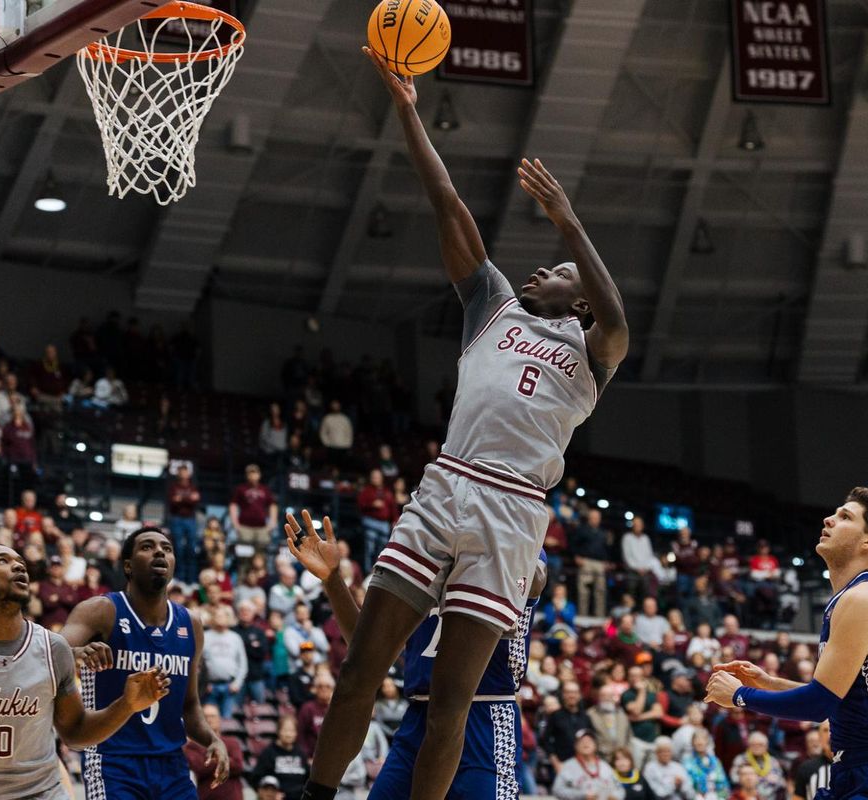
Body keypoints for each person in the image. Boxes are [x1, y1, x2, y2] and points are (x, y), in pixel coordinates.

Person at [298, 46, 629, 800]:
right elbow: (447, 203)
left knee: (454, 705)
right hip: (447, 486)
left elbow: (616, 315)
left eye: (559, 268)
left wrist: (569, 220)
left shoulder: (593, 351)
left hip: (513, 510)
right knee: (361, 670)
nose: (542, 266)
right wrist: (409, 113)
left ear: (578, 301)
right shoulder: (493, 307)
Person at [283, 510, 545, 799]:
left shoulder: (518, 547)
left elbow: (536, 576)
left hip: (485, 719)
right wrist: (333, 580)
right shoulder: (426, 553)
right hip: (420, 719)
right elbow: (369, 647)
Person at [0, 545, 167, 800]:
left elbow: (74, 732)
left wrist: (126, 705)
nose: (18, 567)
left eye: (21, 563)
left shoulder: (53, 648)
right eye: (3, 561)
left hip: (42, 793)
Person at [706, 487, 868, 800]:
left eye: (845, 516)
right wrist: (769, 683)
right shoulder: (848, 598)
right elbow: (838, 701)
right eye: (835, 512)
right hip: (855, 771)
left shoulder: (864, 598)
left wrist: (740, 696)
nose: (829, 519)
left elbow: (819, 704)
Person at [60, 526, 230, 799]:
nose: (160, 551)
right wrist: (78, 653)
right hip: (113, 761)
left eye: (167, 548)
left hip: (172, 765)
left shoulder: (191, 624)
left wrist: (212, 739)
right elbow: (50, 652)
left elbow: (189, 704)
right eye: (147, 547)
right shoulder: (101, 610)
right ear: (128, 566)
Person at [554, 729, 626, 800]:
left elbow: (620, 789)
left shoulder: (605, 766)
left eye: (589, 741)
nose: (586, 743)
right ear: (576, 746)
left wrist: (615, 796)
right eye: (581, 741)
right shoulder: (568, 766)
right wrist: (582, 796)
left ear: (595, 745)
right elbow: (557, 790)